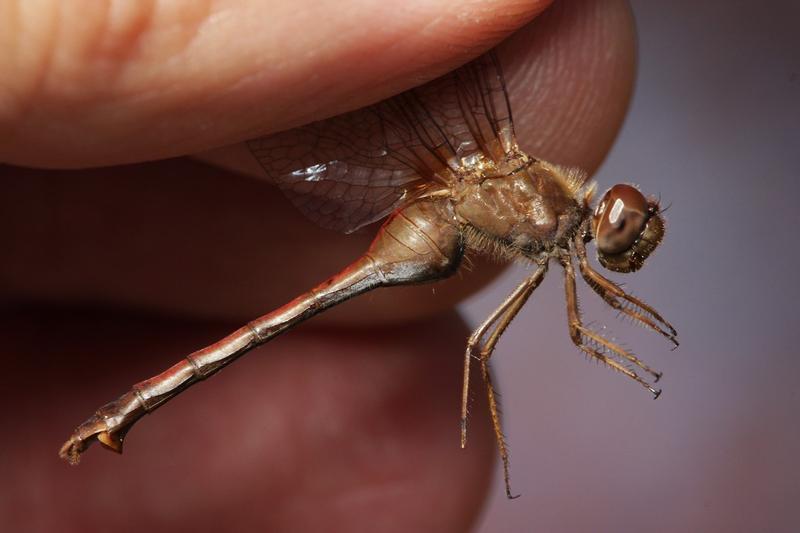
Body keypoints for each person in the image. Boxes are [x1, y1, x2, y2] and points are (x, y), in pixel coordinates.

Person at [0, 0, 636, 530]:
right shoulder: (540, 202)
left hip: (443, 226)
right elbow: (517, 336)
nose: (625, 227)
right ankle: (125, 409)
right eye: (625, 220)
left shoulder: (551, 218)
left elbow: (571, 320)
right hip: (439, 223)